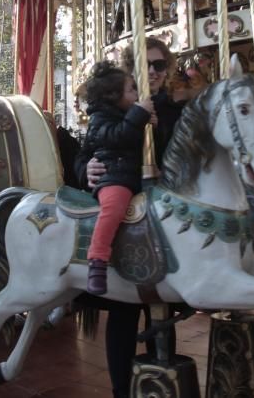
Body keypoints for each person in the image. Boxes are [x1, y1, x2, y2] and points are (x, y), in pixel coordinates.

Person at [78, 37, 192, 397]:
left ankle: (162, 382)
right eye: (146, 66)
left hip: (163, 212)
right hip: (127, 208)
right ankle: (120, 391)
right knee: (124, 311)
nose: (154, 72)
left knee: (163, 304)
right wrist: (88, 168)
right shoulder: (115, 109)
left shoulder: (174, 110)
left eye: (160, 65)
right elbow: (86, 151)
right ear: (131, 71)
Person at [77, 63, 156, 295]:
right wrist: (139, 115)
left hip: (138, 176)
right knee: (114, 206)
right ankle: (98, 260)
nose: (136, 94)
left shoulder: (130, 112)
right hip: (116, 176)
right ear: (114, 95)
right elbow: (117, 137)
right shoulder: (101, 118)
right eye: (132, 89)